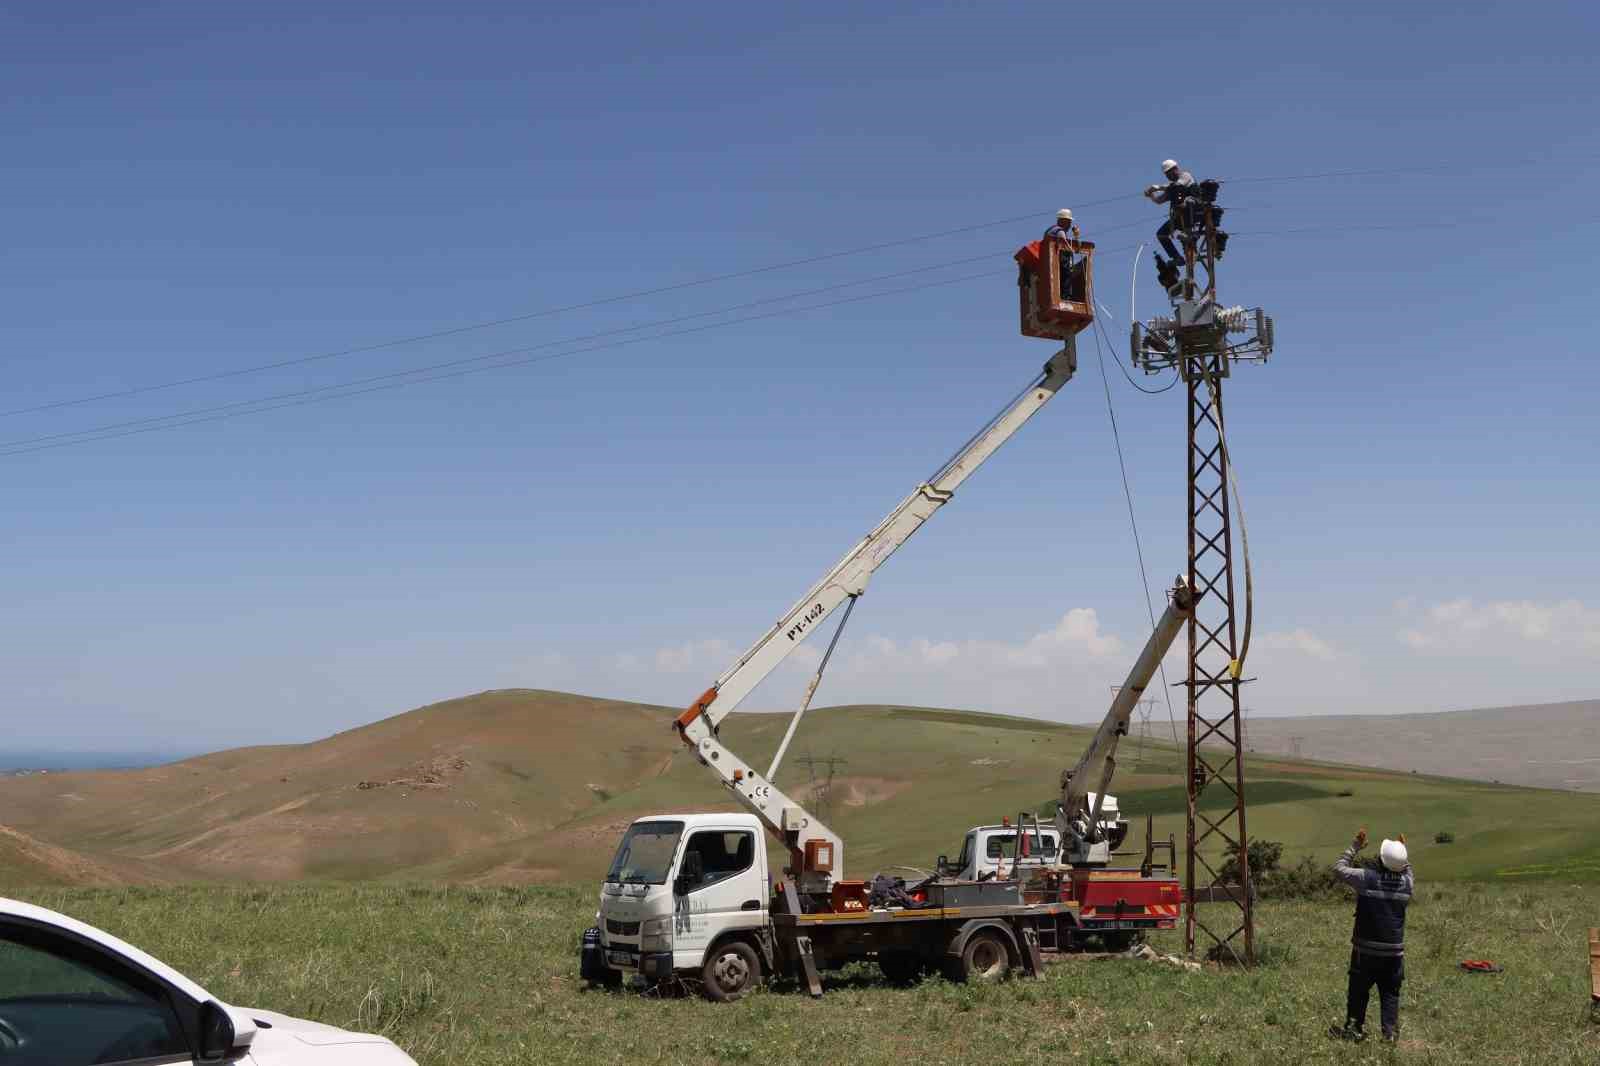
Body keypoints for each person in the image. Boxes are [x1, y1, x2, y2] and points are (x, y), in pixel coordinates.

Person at [1329, 828, 1414, 1043]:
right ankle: (1390, 1035)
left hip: (1365, 952)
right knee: (1390, 994)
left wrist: (1355, 846)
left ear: (1381, 858)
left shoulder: (1367, 878)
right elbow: (1406, 869)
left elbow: (1338, 869)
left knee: (1358, 992)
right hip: (1394, 954)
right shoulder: (1407, 883)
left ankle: (1353, 1031)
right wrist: (1402, 851)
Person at [1144, 159, 1196, 264]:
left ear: (1176, 169)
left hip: (1193, 210)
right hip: (1179, 215)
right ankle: (1177, 257)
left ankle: (1187, 235)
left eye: (1170, 172)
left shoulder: (1185, 176)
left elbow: (1178, 185)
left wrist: (1158, 187)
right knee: (1161, 234)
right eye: (1166, 174)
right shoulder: (1172, 188)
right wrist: (1151, 196)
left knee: (1178, 192)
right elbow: (1159, 200)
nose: (1168, 176)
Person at [1043, 209, 1084, 302]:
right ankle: (1066, 297)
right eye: (1069, 222)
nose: (1070, 225)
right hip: (1060, 263)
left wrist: (1076, 237)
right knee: (1066, 276)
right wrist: (1076, 238)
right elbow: (1067, 246)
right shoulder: (1059, 231)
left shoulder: (1050, 231)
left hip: (1051, 263)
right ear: (1063, 221)